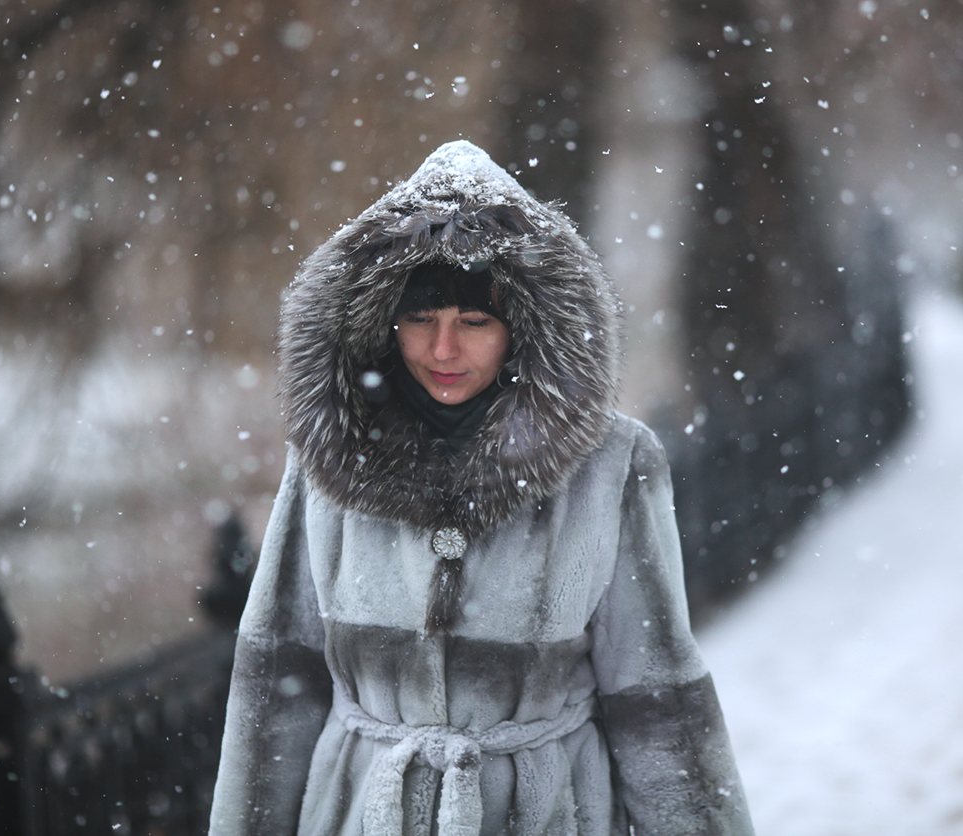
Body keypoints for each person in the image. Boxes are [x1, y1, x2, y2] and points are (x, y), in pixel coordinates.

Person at [208, 140, 754, 836]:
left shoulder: (610, 465)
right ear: (382, 323)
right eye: (420, 320)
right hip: (361, 812)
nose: (443, 350)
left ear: (519, 328)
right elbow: (277, 683)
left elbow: (656, 697)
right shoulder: (328, 459)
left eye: (473, 322)